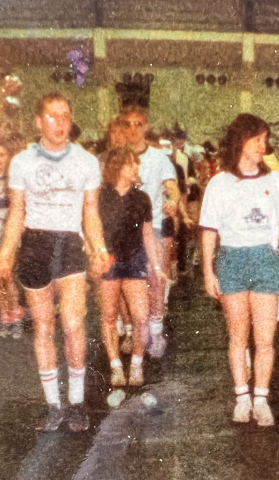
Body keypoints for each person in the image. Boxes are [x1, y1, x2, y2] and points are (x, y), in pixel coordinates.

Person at [0, 92, 110, 431]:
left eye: (65, 116)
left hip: (69, 244)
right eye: (52, 116)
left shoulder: (86, 161)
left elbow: (90, 212)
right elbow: (16, 212)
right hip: (35, 243)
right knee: (44, 328)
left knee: (74, 325)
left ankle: (76, 403)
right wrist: (5, 255)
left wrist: (99, 247)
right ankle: (52, 406)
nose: (60, 123)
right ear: (38, 121)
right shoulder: (21, 162)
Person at [200, 114, 279, 426]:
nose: (263, 146)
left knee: (265, 339)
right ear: (240, 141)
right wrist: (208, 271)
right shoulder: (219, 183)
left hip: (265, 260)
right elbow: (208, 232)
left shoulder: (273, 181)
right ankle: (242, 397)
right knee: (237, 337)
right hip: (231, 259)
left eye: (265, 139)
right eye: (257, 139)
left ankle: (262, 398)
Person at [98, 148, 163, 388]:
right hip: (109, 260)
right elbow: (91, 228)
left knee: (140, 317)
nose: (136, 168)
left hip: (135, 260)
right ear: (117, 168)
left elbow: (147, 235)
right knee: (108, 315)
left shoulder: (142, 198)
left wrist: (156, 266)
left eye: (136, 164)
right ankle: (115, 366)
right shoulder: (100, 196)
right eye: (131, 164)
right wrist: (95, 256)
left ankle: (136, 364)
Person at [121, 105, 181, 358]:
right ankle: (130, 331)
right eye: (128, 124)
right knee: (123, 284)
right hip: (122, 231)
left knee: (155, 280)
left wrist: (173, 201)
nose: (134, 129)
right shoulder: (116, 156)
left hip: (153, 225)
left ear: (145, 127)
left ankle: (155, 333)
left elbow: (172, 187)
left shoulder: (158, 158)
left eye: (138, 124)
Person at [0, 138, 25, 339]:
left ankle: (15, 312)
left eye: (2, 155)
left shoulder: (14, 180)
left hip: (8, 234)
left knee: (6, 276)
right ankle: (4, 315)